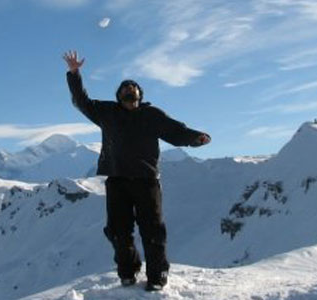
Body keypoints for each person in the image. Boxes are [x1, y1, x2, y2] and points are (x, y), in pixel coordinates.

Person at [63, 50, 211, 291]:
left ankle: (157, 276)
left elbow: (176, 131)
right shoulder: (107, 113)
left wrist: (196, 138)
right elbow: (82, 101)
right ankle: (128, 273)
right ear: (119, 96)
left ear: (140, 96)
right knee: (118, 232)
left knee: (152, 231)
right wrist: (74, 73)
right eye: (125, 90)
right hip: (117, 180)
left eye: (133, 91)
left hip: (147, 181)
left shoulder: (152, 115)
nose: (130, 93)